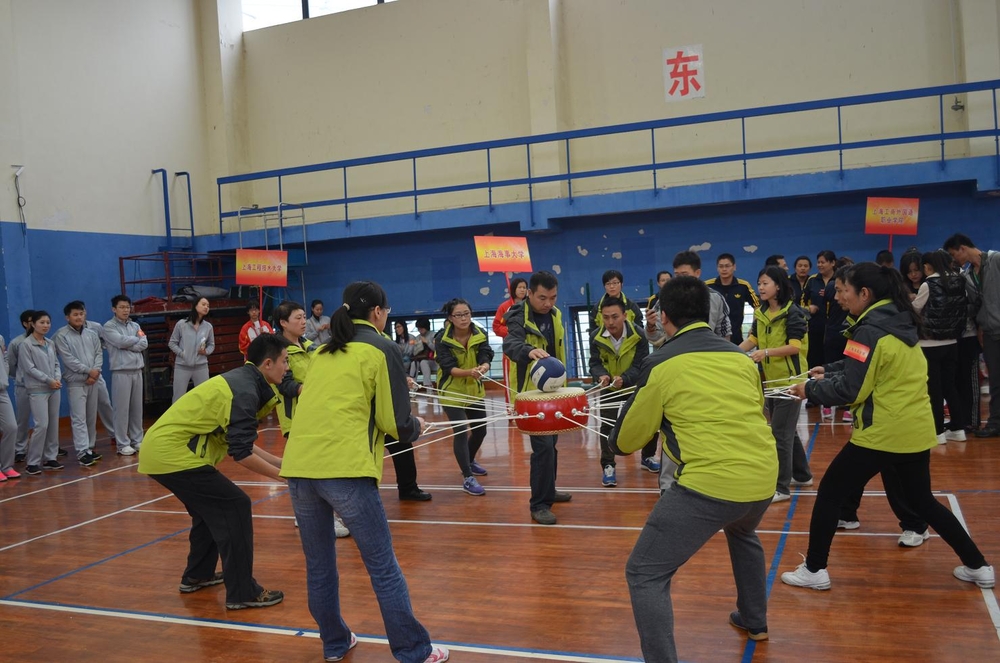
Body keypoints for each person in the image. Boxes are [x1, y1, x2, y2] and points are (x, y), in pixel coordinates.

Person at [783, 263, 995, 591]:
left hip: (883, 432)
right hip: (913, 428)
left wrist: (808, 390)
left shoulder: (870, 330)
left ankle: (814, 569)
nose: (837, 296)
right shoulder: (895, 321)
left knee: (830, 493)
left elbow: (852, 389)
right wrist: (831, 370)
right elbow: (868, 366)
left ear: (864, 293)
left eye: (843, 290)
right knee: (922, 501)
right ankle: (979, 565)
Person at [609, 276, 777, 662]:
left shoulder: (661, 363)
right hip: (763, 478)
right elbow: (759, 413)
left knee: (644, 573)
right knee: (743, 531)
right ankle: (755, 619)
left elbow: (625, 442)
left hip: (709, 485)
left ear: (665, 317)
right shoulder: (741, 358)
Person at [281, 281, 449, 663]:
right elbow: (395, 422)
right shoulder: (382, 347)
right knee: (383, 567)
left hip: (300, 467)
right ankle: (414, 651)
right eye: (387, 311)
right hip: (345, 469)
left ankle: (335, 643)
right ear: (377, 312)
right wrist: (415, 426)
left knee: (319, 566)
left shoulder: (322, 350)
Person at [138, 334, 290, 611]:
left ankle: (198, 575)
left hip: (162, 451)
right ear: (268, 364)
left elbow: (241, 443)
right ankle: (243, 592)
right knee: (236, 505)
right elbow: (241, 453)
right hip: (171, 454)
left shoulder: (243, 381)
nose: (287, 368)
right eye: (285, 361)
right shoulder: (244, 390)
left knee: (208, 511)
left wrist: (281, 464)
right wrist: (287, 479)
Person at [503, 270, 573, 525]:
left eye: (553, 297)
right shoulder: (517, 315)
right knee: (542, 447)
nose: (548, 303)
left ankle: (549, 489)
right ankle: (539, 504)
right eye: (542, 298)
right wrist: (528, 350)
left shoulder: (556, 314)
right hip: (530, 395)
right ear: (529, 293)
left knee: (551, 444)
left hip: (554, 391)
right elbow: (510, 345)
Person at [738, 266, 812, 503]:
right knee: (786, 431)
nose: (760, 287)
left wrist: (766, 352)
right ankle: (802, 475)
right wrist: (732, 352)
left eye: (765, 283)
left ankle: (781, 487)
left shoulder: (794, 313)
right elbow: (753, 339)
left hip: (791, 382)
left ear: (778, 286)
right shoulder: (760, 312)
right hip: (770, 381)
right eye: (759, 283)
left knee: (780, 435)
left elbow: (795, 347)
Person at [589, 297, 655, 488]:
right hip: (609, 388)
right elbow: (594, 363)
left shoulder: (639, 334)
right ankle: (608, 466)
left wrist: (624, 379)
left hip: (634, 386)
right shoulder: (595, 337)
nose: (610, 322)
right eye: (606, 317)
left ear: (625, 316)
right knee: (607, 426)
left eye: (615, 317)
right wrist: (601, 376)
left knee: (647, 421)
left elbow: (641, 364)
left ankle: (648, 456)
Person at [436, 298, 494, 496]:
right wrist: (470, 372)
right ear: (450, 318)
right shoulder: (442, 339)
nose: (463, 318)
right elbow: (448, 367)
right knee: (460, 431)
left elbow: (486, 354)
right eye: (459, 315)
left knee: (480, 431)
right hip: (451, 391)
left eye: (466, 314)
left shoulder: (480, 333)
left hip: (473, 390)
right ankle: (468, 476)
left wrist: (484, 366)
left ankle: (468, 460)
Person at [945, 233, 1000, 437]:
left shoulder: (996, 259)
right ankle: (995, 423)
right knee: (996, 381)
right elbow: (975, 306)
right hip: (990, 333)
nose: (954, 260)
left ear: (962, 248)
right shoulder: (967, 276)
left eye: (954, 254)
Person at [913, 250, 968, 444]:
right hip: (952, 342)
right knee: (950, 386)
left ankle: (937, 432)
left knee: (934, 389)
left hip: (929, 344)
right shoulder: (959, 281)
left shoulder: (928, 284)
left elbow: (916, 309)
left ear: (928, 266)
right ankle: (958, 429)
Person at [54, 301, 104, 467]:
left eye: (81, 314)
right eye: (75, 314)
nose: (79, 317)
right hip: (76, 382)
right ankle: (82, 452)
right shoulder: (61, 335)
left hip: (93, 381)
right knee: (79, 418)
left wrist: (95, 372)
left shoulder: (91, 334)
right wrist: (88, 371)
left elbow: (98, 354)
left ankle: (90, 447)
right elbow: (68, 360)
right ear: (67, 317)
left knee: (91, 416)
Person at [647, 252, 730, 347]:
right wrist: (650, 326)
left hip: (707, 352)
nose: (680, 279)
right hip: (676, 352)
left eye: (684, 274)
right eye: (677, 275)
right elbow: (654, 338)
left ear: (697, 273)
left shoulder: (715, 298)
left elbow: (724, 334)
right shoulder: (666, 298)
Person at [18, 311, 63, 475]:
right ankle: (32, 462)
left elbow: (56, 364)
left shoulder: (50, 343)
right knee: (41, 425)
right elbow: (29, 368)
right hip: (37, 389)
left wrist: (57, 378)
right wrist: (48, 380)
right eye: (42, 322)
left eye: (48, 322)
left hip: (54, 388)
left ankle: (50, 458)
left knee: (53, 424)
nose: (45, 325)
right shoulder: (26, 345)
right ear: (33, 324)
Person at [104, 295, 147, 455]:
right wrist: (134, 340)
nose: (125, 310)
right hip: (121, 372)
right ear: (114, 309)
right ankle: (122, 443)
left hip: (137, 370)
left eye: (127, 307)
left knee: (137, 408)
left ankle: (137, 440)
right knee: (121, 410)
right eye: (122, 307)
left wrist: (129, 343)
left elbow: (144, 343)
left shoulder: (135, 325)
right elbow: (119, 342)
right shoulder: (109, 327)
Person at [706, 253, 759, 345]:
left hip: (736, 336)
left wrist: (753, 327)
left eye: (727, 266)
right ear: (717, 268)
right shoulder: (707, 286)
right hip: (712, 336)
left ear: (734, 267)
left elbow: (757, 306)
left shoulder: (743, 286)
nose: (724, 269)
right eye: (721, 266)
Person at [169, 297, 215, 403]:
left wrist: (206, 352)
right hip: (182, 367)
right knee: (178, 398)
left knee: (204, 397)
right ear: (195, 306)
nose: (206, 307)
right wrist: (182, 353)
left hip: (201, 367)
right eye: (203, 304)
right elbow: (172, 343)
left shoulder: (208, 327)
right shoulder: (182, 324)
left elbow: (211, 345)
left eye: (208, 306)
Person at [7, 310, 35, 464]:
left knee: (45, 420)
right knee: (23, 419)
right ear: (25, 324)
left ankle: (50, 448)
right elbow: (10, 365)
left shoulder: (46, 341)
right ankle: (20, 449)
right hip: (23, 386)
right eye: (31, 321)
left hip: (43, 387)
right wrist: (20, 377)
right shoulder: (16, 343)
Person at [493, 277, 527, 396]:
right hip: (510, 351)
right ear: (513, 289)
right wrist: (513, 331)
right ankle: (511, 406)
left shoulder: (530, 306)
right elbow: (496, 327)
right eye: (519, 287)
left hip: (528, 349)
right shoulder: (504, 307)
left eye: (524, 287)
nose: (522, 290)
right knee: (511, 383)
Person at [0, 333, 20, 481]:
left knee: (11, 427)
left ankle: (6, 466)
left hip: (2, 391)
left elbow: (5, 357)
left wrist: (4, 375)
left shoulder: (0, 338)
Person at [410, 318, 437, 389]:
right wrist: (417, 345)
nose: (420, 330)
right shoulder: (418, 337)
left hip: (433, 361)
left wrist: (427, 342)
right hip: (420, 359)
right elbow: (414, 353)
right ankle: (413, 386)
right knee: (414, 363)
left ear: (426, 327)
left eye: (421, 328)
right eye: (418, 329)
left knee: (423, 362)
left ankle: (428, 386)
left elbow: (436, 349)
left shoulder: (434, 335)